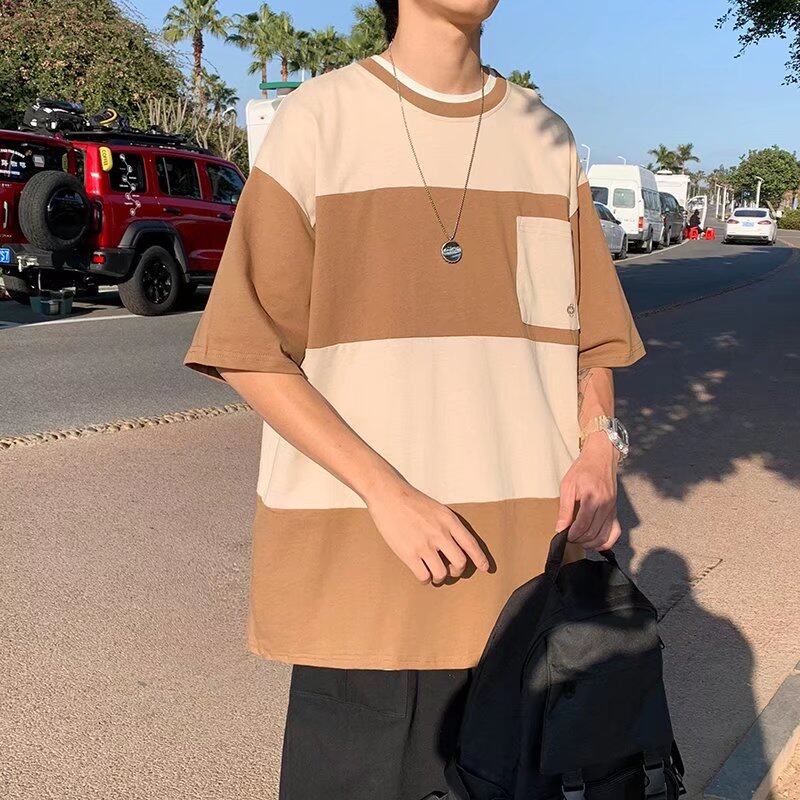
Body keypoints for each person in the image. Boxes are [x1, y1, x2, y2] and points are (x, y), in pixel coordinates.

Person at [184, 0, 644, 797]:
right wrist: (387, 493)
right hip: (366, 570)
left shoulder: (546, 138)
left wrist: (601, 449)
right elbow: (248, 349)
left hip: (524, 579)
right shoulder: (317, 122)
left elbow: (593, 341)